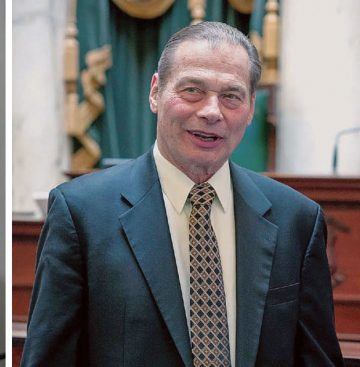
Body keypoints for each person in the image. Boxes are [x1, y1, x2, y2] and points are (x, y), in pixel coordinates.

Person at [21, 22, 343, 367]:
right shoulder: (81, 213)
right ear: (156, 92)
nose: (211, 112)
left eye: (231, 96)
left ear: (250, 109)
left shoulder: (296, 219)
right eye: (192, 90)